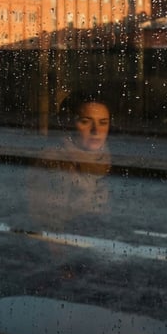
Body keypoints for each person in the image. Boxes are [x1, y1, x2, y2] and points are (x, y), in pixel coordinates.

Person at [26, 95, 113, 255]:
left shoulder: (105, 157)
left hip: (95, 243)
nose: (96, 131)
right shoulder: (57, 161)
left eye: (103, 123)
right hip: (68, 249)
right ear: (70, 124)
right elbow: (49, 221)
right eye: (86, 121)